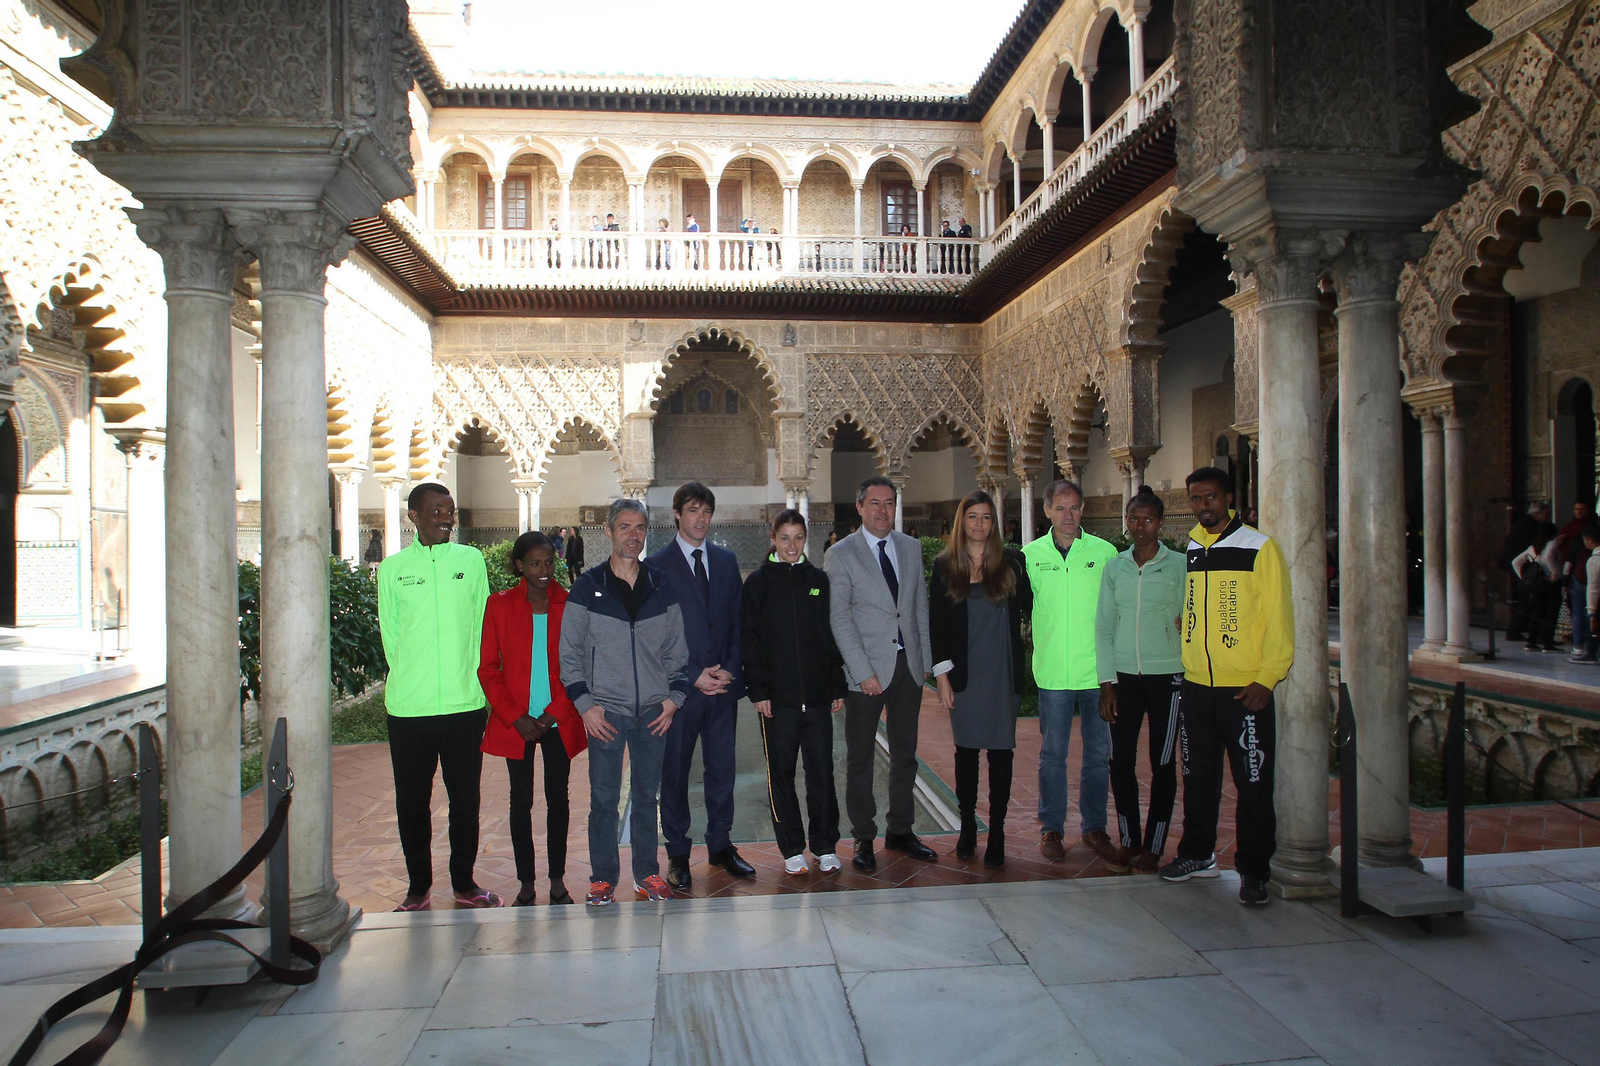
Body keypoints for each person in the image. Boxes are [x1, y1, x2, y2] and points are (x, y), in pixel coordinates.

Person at [1161, 467, 1293, 907]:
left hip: (1244, 690)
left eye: (1211, 497)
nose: (1204, 506)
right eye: (1196, 499)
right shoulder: (1195, 547)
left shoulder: (1259, 547)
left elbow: (1279, 618)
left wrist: (1267, 678)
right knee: (1197, 779)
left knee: (1252, 784)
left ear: (1229, 498)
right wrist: (1189, 630)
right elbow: (1197, 605)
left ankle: (1254, 871)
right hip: (1197, 687)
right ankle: (1197, 854)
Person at [377, 483, 501, 911]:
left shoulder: (470, 560)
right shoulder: (392, 570)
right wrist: (413, 679)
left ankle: (464, 882)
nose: (445, 518)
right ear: (413, 516)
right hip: (409, 709)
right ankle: (418, 887)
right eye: (435, 512)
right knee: (413, 802)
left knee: (465, 799)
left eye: (449, 511)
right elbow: (390, 636)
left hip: (465, 706)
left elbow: (482, 626)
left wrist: (471, 682)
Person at [560, 498, 690, 905]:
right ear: (609, 532)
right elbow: (570, 654)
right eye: (624, 528)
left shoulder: (659, 583)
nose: (633, 536)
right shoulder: (587, 587)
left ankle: (646, 874)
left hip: (653, 710)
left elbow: (676, 651)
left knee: (646, 796)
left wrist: (674, 700)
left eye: (639, 528)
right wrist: (587, 706)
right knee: (603, 798)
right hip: (607, 712)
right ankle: (602, 877)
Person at [826, 476, 938, 870]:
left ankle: (901, 830)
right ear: (859, 507)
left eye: (888, 503)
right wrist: (862, 671)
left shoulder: (909, 547)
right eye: (874, 503)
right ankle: (862, 837)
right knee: (859, 759)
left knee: (906, 755)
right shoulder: (841, 554)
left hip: (907, 669)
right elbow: (839, 619)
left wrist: (924, 663)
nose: (882, 510)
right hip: (866, 674)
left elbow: (918, 607)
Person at [646, 482, 753, 889]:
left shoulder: (726, 561)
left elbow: (738, 621)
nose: (701, 518)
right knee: (674, 772)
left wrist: (729, 668)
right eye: (693, 510)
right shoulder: (658, 566)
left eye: (706, 511)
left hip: (722, 690)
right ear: (677, 514)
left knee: (722, 769)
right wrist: (693, 674)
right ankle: (677, 852)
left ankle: (721, 845)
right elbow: (654, 634)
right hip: (679, 693)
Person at [478, 531, 586, 906]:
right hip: (519, 724)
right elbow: (488, 669)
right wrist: (514, 716)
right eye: (535, 564)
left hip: (557, 719)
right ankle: (526, 883)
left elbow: (580, 666)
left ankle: (557, 881)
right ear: (520, 566)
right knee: (519, 800)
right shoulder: (500, 605)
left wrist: (553, 712)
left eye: (549, 563)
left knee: (559, 799)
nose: (544, 571)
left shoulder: (570, 605)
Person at [1022, 480, 1123, 868]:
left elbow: (1116, 612)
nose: (1068, 515)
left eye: (1075, 508)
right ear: (1046, 510)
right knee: (1052, 756)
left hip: (1097, 675)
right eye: (1061, 508)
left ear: (1084, 510)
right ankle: (1052, 828)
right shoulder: (1031, 555)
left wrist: (1113, 674)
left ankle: (1095, 827)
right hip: (1052, 675)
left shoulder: (1105, 552)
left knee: (1099, 755)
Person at [741, 509, 847, 874]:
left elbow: (826, 634)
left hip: (817, 697)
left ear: (806, 540)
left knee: (822, 772)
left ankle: (825, 844)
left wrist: (836, 684)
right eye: (784, 538)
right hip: (778, 702)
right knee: (781, 775)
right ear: (773, 538)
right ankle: (791, 848)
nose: (791, 545)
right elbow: (750, 641)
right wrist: (758, 690)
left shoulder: (818, 580)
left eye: (798, 538)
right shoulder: (757, 584)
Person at [930, 490, 1031, 868]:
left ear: (994, 523)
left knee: (1002, 752)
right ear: (962, 521)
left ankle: (999, 832)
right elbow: (936, 624)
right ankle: (968, 827)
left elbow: (1032, 607)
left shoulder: (1011, 563)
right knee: (967, 752)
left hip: (1001, 669)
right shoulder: (945, 565)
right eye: (972, 517)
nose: (979, 524)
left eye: (986, 517)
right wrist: (942, 676)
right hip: (965, 673)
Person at [1095, 486, 1185, 875]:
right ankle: (1130, 839)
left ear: (1161, 523)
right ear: (1125, 522)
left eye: (1148, 519)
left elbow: (1191, 616)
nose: (1140, 527)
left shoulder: (1180, 565)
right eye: (1134, 519)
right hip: (1124, 677)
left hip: (1169, 676)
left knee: (1162, 763)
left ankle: (1155, 844)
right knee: (1120, 761)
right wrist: (1106, 683)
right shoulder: (1115, 567)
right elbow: (1104, 626)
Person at [1501, 502, 1554, 643]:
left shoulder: (1524, 523)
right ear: (1538, 514)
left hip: (1523, 569)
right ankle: (1516, 630)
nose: (1547, 519)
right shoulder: (1528, 525)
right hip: (1526, 570)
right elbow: (1525, 552)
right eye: (1546, 515)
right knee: (1527, 600)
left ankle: (1521, 629)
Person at [1511, 531, 1564, 653]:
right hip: (1550, 583)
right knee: (1551, 613)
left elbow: (1515, 562)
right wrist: (1555, 573)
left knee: (1537, 613)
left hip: (1537, 585)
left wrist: (1524, 577)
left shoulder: (1532, 548)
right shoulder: (1552, 543)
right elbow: (1548, 557)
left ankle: (1531, 642)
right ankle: (1548, 643)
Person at [1564, 501, 1594, 656]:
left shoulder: (1577, 540)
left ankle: (1579, 645)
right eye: (1577, 509)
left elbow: (1568, 564)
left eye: (1583, 509)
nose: (1579, 512)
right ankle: (1588, 646)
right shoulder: (1573, 535)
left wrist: (1564, 579)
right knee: (1588, 613)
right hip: (1583, 580)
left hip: (1581, 579)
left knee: (1581, 613)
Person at [1581, 524, 1600, 663]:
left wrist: (1591, 612)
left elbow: (1593, 588)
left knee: (1594, 628)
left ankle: (1591, 653)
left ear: (1590, 540)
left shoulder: (1594, 560)